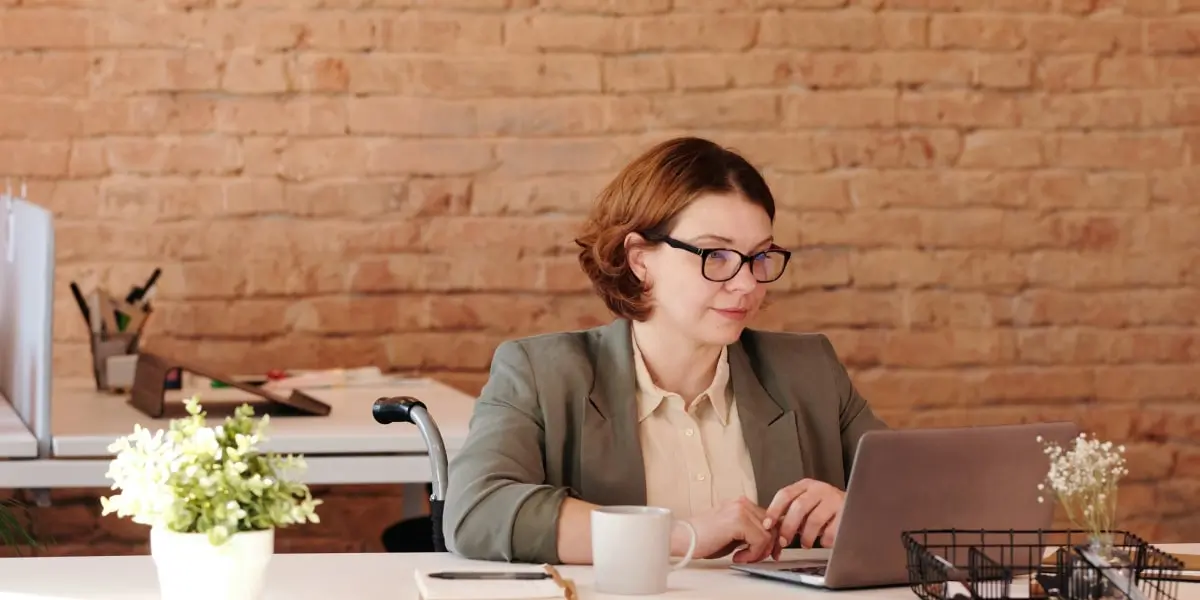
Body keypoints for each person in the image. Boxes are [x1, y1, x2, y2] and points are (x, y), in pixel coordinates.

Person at [442, 136, 888, 566]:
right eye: (715, 255)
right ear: (639, 258)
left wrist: (860, 513)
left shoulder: (809, 371)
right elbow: (476, 511)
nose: (747, 283)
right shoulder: (542, 374)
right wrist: (677, 536)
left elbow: (928, 499)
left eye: (759, 256)